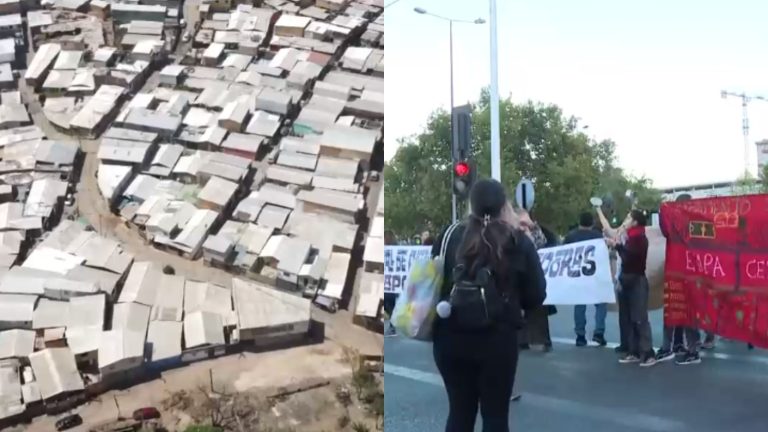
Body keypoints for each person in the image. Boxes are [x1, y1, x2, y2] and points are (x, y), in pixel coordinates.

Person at [431, 179, 546, 432]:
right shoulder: (518, 242)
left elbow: (435, 282)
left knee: (459, 414)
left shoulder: (449, 236)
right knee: (495, 417)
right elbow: (536, 295)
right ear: (505, 205)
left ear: (471, 205)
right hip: (498, 340)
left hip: (449, 338)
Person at [607, 209, 655, 367]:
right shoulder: (629, 237)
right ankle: (633, 351)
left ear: (635, 222)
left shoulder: (639, 238)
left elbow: (631, 257)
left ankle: (648, 353)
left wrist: (617, 246)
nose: (625, 220)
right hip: (626, 279)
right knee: (628, 317)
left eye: (628, 218)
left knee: (640, 318)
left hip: (636, 280)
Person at [564, 212, 608, 347]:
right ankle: (599, 333)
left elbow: (563, 254)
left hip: (578, 276)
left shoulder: (571, 236)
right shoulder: (598, 236)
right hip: (595, 275)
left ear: (579, 222)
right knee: (601, 304)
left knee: (579, 306)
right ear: (592, 223)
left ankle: (580, 335)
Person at [516, 208, 557, 352]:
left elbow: (544, 244)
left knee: (538, 311)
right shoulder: (511, 239)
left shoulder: (538, 238)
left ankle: (541, 339)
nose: (524, 228)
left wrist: (532, 230)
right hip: (518, 285)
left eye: (527, 225)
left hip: (534, 284)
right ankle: (521, 339)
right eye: (521, 224)